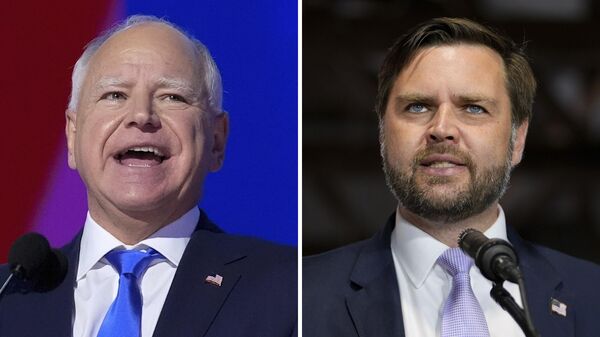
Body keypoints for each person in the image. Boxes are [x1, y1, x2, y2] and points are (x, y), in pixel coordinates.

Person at [0, 15, 296, 337]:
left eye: (173, 97)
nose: (142, 116)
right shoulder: (10, 296)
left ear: (217, 140)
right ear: (73, 135)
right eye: (114, 95)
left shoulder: (291, 289)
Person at [303, 17, 600, 337]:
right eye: (417, 107)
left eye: (473, 108)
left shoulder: (591, 297)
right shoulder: (302, 297)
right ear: (382, 132)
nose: (442, 129)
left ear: (518, 139)